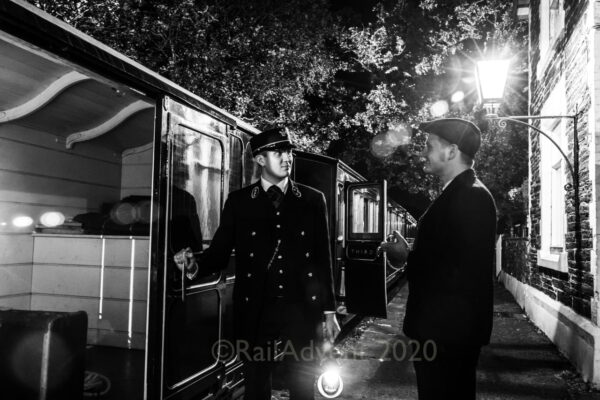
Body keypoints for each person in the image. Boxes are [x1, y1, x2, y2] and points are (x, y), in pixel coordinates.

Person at [176, 127, 340, 400]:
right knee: (256, 383)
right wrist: (193, 266)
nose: (287, 158)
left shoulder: (312, 200)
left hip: (301, 307)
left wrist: (329, 311)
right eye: (279, 152)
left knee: (302, 383)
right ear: (261, 160)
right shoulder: (240, 202)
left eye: (289, 152)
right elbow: (218, 253)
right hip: (255, 307)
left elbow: (323, 257)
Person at [380, 118, 497, 400]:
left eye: (429, 146)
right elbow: (449, 259)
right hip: (443, 332)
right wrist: (409, 257)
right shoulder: (461, 194)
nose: (423, 152)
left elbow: (460, 275)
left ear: (452, 151)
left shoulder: (472, 197)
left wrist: (407, 257)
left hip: (448, 336)